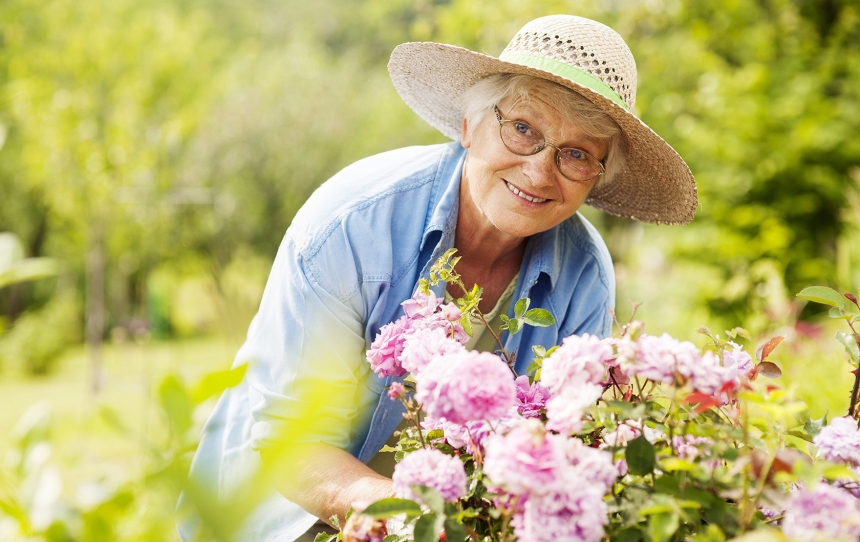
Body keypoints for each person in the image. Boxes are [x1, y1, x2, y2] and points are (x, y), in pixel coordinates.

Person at [177, 14, 697, 541]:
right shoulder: (354, 225)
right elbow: (291, 445)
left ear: (596, 180)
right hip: (283, 516)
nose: (540, 172)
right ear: (470, 125)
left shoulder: (585, 273)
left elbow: (560, 446)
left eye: (578, 155)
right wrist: (410, 517)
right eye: (523, 129)